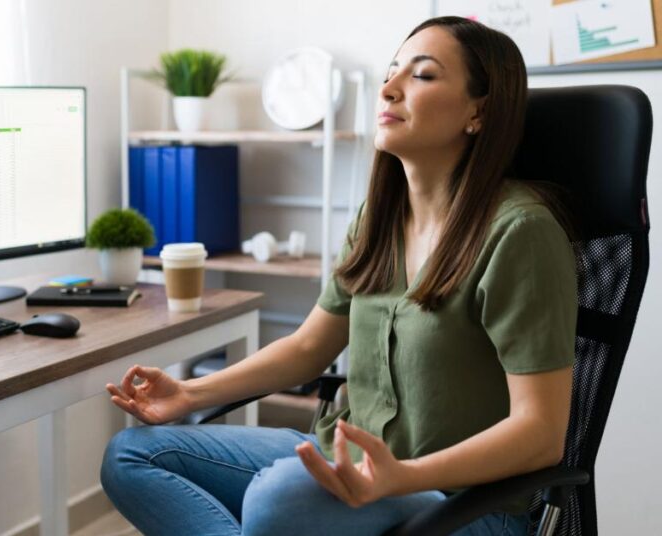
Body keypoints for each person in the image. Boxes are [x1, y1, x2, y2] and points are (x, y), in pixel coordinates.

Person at [100, 15, 578, 536]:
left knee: (279, 502)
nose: (389, 89)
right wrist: (191, 393)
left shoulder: (520, 233)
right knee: (131, 455)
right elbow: (309, 348)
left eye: (421, 76)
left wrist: (401, 477)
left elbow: (541, 434)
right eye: (391, 72)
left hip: (462, 503)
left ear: (478, 113)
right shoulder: (378, 219)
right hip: (349, 463)